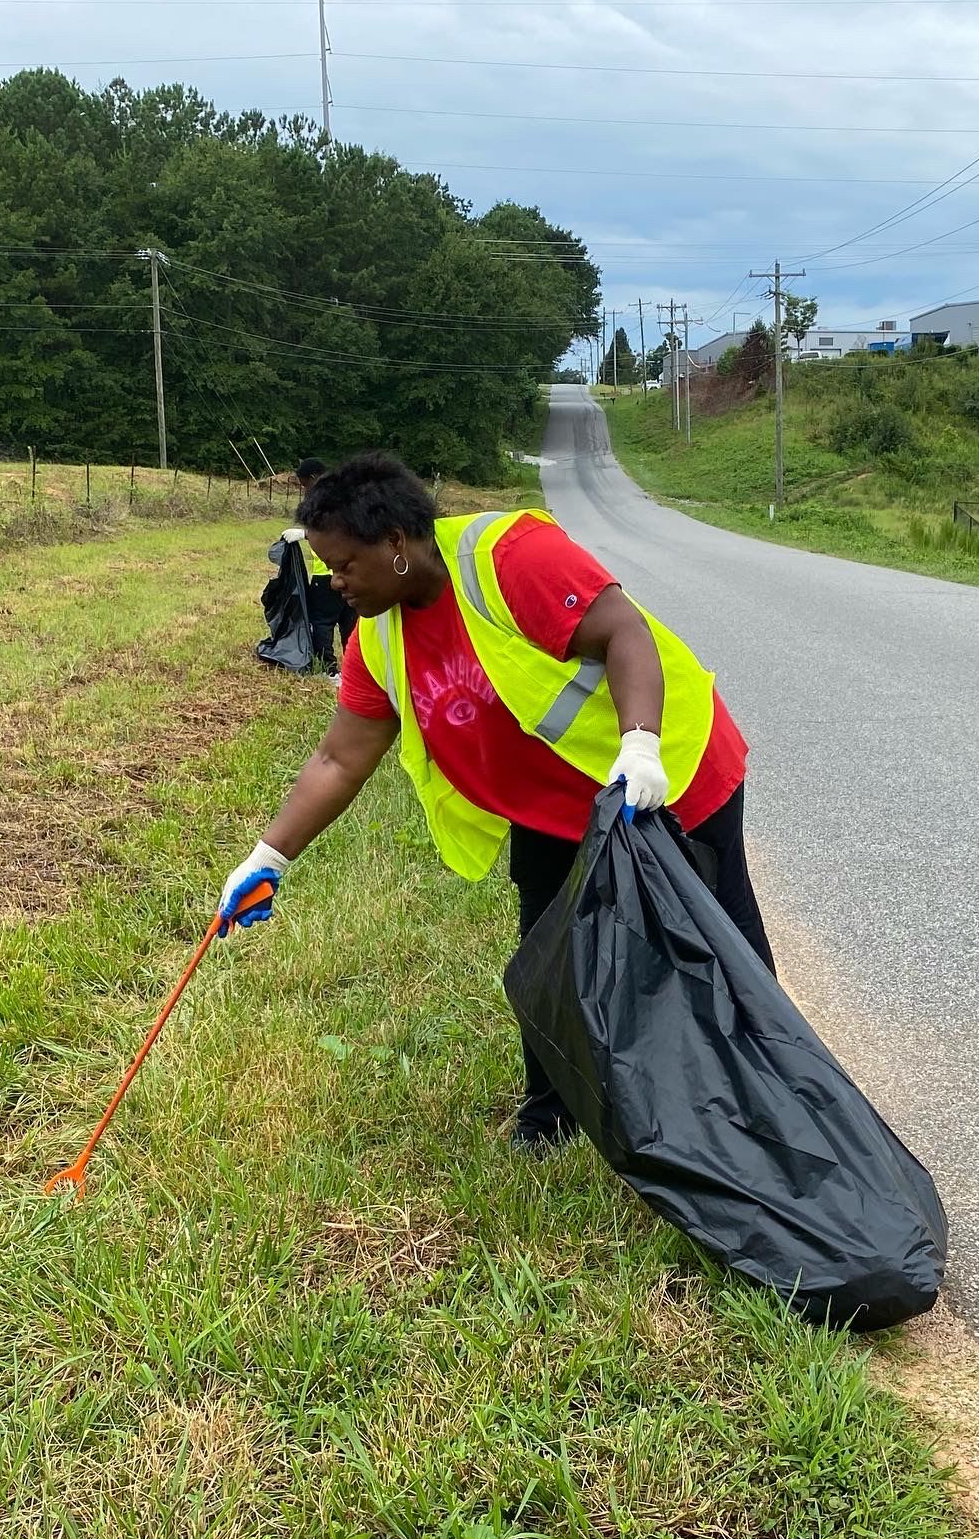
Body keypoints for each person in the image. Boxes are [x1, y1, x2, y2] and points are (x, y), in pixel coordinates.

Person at [219, 450, 773, 1149]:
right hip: (555, 809)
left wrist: (641, 745)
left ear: (395, 544)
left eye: (344, 565)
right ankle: (552, 1115)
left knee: (720, 941)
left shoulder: (510, 557)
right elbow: (338, 759)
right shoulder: (379, 641)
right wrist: (269, 856)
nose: (335, 583)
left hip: (670, 764)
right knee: (547, 957)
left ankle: (767, 1096)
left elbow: (624, 632)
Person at [291, 457, 357, 673]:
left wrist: (304, 533)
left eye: (304, 484)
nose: (305, 490)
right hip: (350, 573)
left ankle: (330, 670)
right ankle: (354, 670)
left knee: (322, 622)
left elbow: (331, 529)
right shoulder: (344, 494)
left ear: (313, 477)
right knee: (350, 623)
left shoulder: (324, 499)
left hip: (325, 575)